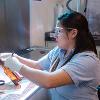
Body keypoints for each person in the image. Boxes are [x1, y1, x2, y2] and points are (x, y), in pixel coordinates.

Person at [0, 11, 100, 100]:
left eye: (59, 31)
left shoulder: (87, 61)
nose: (55, 35)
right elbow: (37, 65)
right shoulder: (60, 50)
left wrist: (16, 65)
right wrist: (14, 57)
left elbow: (48, 81)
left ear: (73, 33)